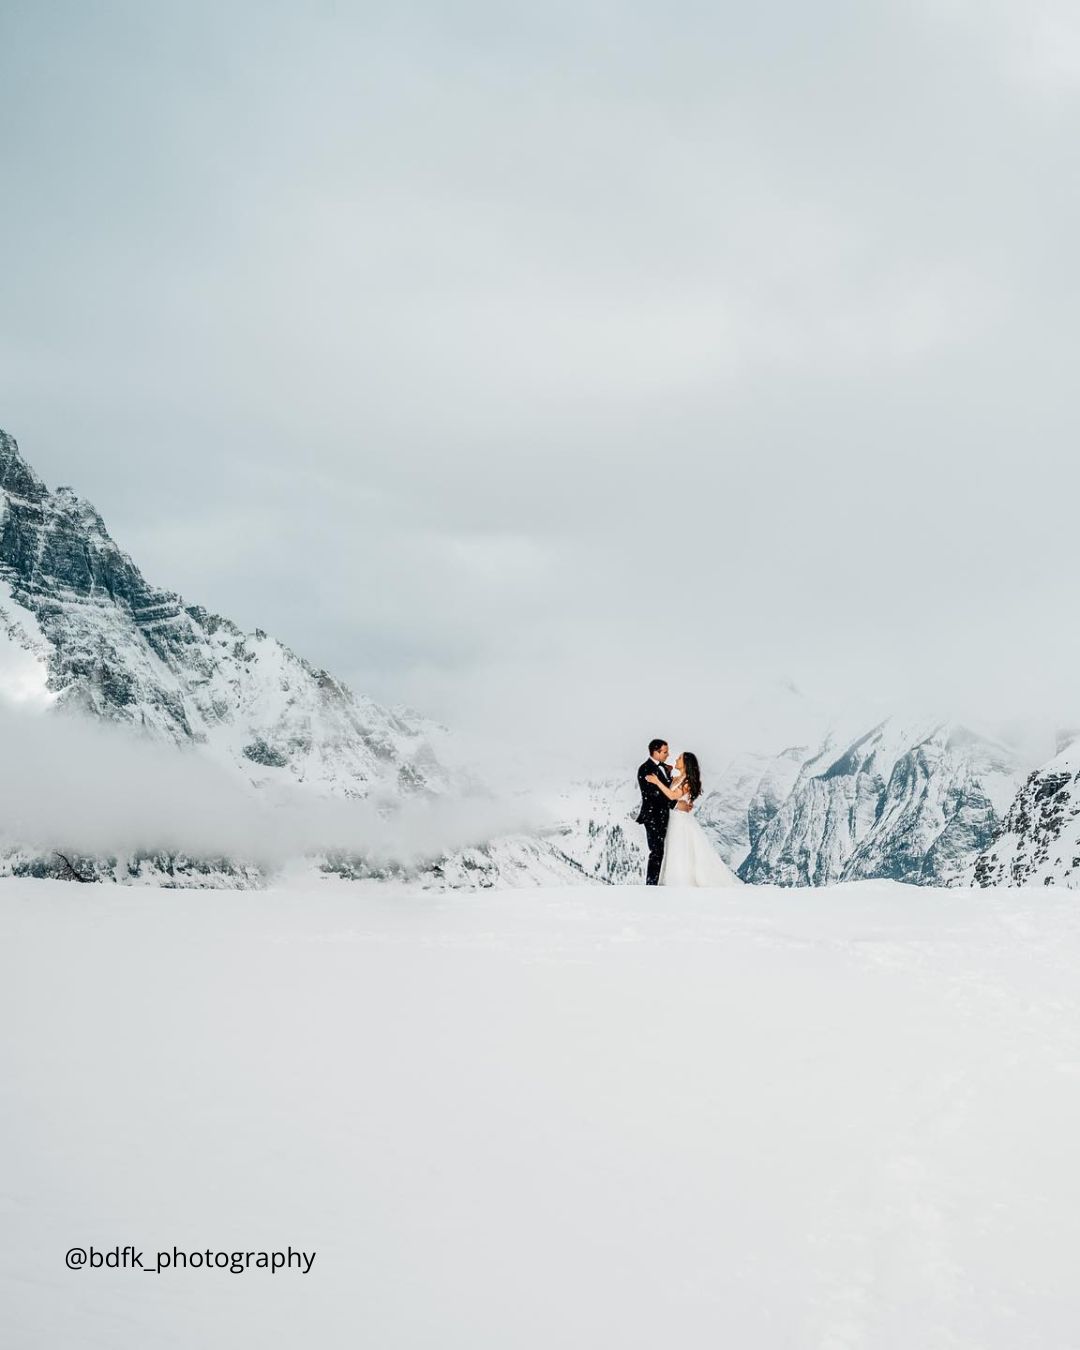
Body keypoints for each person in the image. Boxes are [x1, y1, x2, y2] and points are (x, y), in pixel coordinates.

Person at [645, 751, 742, 887]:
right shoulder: (678, 779)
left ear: (686, 763)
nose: (676, 759)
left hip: (680, 820)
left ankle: (680, 880)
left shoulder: (687, 782)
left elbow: (672, 796)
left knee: (680, 848)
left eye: (679, 758)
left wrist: (656, 782)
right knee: (672, 847)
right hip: (673, 817)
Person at [636, 739, 675, 886]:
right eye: (665, 752)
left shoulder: (665, 768)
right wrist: (674, 802)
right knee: (656, 851)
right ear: (656, 752)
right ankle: (651, 885)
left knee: (661, 850)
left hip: (663, 816)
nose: (668, 754)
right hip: (652, 815)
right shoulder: (645, 769)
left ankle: (658, 882)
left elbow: (666, 787)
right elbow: (653, 794)